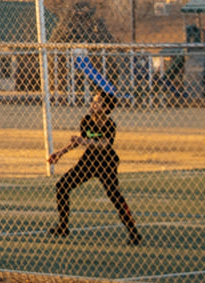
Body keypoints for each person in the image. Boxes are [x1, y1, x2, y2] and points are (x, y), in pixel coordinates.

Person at [47, 88, 142, 244]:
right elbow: (79, 140)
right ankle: (63, 226)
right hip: (89, 162)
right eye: (94, 100)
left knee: (114, 195)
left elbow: (104, 144)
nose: (93, 103)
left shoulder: (110, 124)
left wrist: (84, 142)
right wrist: (60, 153)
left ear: (105, 108)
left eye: (97, 102)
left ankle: (133, 232)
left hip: (106, 163)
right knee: (62, 186)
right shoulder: (86, 120)